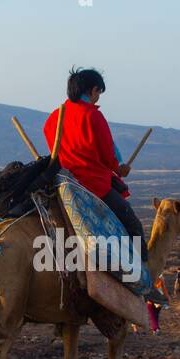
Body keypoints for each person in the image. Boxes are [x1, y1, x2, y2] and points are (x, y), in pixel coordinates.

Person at [43, 67, 149, 266]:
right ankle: (140, 275)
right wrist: (120, 169)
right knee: (132, 225)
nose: (97, 98)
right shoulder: (93, 116)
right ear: (92, 90)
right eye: (98, 92)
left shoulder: (53, 118)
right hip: (92, 185)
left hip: (62, 183)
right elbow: (108, 157)